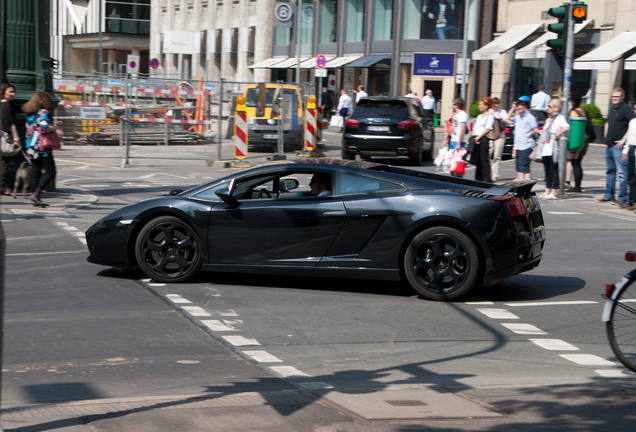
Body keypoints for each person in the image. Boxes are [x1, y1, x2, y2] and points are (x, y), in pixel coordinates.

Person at [597, 88, 633, 204]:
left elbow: (632, 125)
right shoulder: (613, 108)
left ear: (623, 96)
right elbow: (608, 122)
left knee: (622, 173)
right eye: (613, 97)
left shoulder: (626, 109)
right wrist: (606, 138)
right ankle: (609, 195)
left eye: (617, 97)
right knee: (610, 171)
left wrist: (623, 140)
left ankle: (622, 198)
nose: (615, 99)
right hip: (609, 144)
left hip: (619, 146)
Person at [22, 91, 56, 207]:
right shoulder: (44, 113)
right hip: (42, 148)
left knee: (36, 171)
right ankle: (36, 194)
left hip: (30, 147)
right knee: (51, 171)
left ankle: (34, 196)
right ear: (44, 102)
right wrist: (53, 128)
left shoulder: (30, 114)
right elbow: (44, 127)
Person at [539, 98, 569, 200]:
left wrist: (558, 134)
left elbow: (566, 127)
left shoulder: (559, 117)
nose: (548, 108)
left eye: (550, 106)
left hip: (552, 146)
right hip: (545, 145)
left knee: (553, 169)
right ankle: (547, 190)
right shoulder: (549, 118)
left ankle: (554, 191)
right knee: (547, 170)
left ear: (556, 107)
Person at [502, 97, 539, 180]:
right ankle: (520, 185)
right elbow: (507, 118)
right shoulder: (518, 116)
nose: (519, 110)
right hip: (518, 145)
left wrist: (529, 135)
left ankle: (525, 186)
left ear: (525, 106)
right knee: (519, 168)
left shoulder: (530, 117)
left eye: (521, 108)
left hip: (527, 145)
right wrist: (512, 107)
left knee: (524, 168)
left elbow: (535, 129)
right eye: (518, 109)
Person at [1, 83, 21, 196]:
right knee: (4, 161)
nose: (12, 94)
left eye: (13, 92)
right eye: (10, 91)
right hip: (5, 137)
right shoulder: (7, 106)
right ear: (3, 92)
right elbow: (11, 124)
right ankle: (2, 187)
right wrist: (16, 139)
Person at [567, 93, 589, 193]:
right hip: (584, 138)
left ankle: (577, 187)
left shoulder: (574, 112)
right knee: (578, 162)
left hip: (577, 138)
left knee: (575, 162)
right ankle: (578, 186)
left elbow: (572, 127)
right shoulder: (583, 110)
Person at [471, 97, 495, 182]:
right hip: (476, 138)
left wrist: (478, 137)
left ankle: (486, 179)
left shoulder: (490, 116)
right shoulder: (479, 116)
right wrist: (474, 137)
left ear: (486, 106)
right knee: (478, 159)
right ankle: (478, 178)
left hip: (483, 138)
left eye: (481, 104)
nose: (479, 106)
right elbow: (475, 127)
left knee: (484, 159)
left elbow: (487, 128)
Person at [621, 102, 636, 211]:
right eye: (634, 109)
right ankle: (631, 201)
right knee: (631, 177)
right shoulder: (632, 122)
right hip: (631, 150)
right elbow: (629, 137)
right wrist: (625, 151)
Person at [489, 97, 508, 181]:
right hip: (490, 135)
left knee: (497, 155)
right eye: (494, 103)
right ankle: (487, 174)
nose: (496, 105)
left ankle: (494, 175)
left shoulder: (502, 112)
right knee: (488, 153)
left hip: (500, 135)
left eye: (497, 103)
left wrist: (500, 118)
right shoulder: (489, 112)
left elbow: (508, 120)